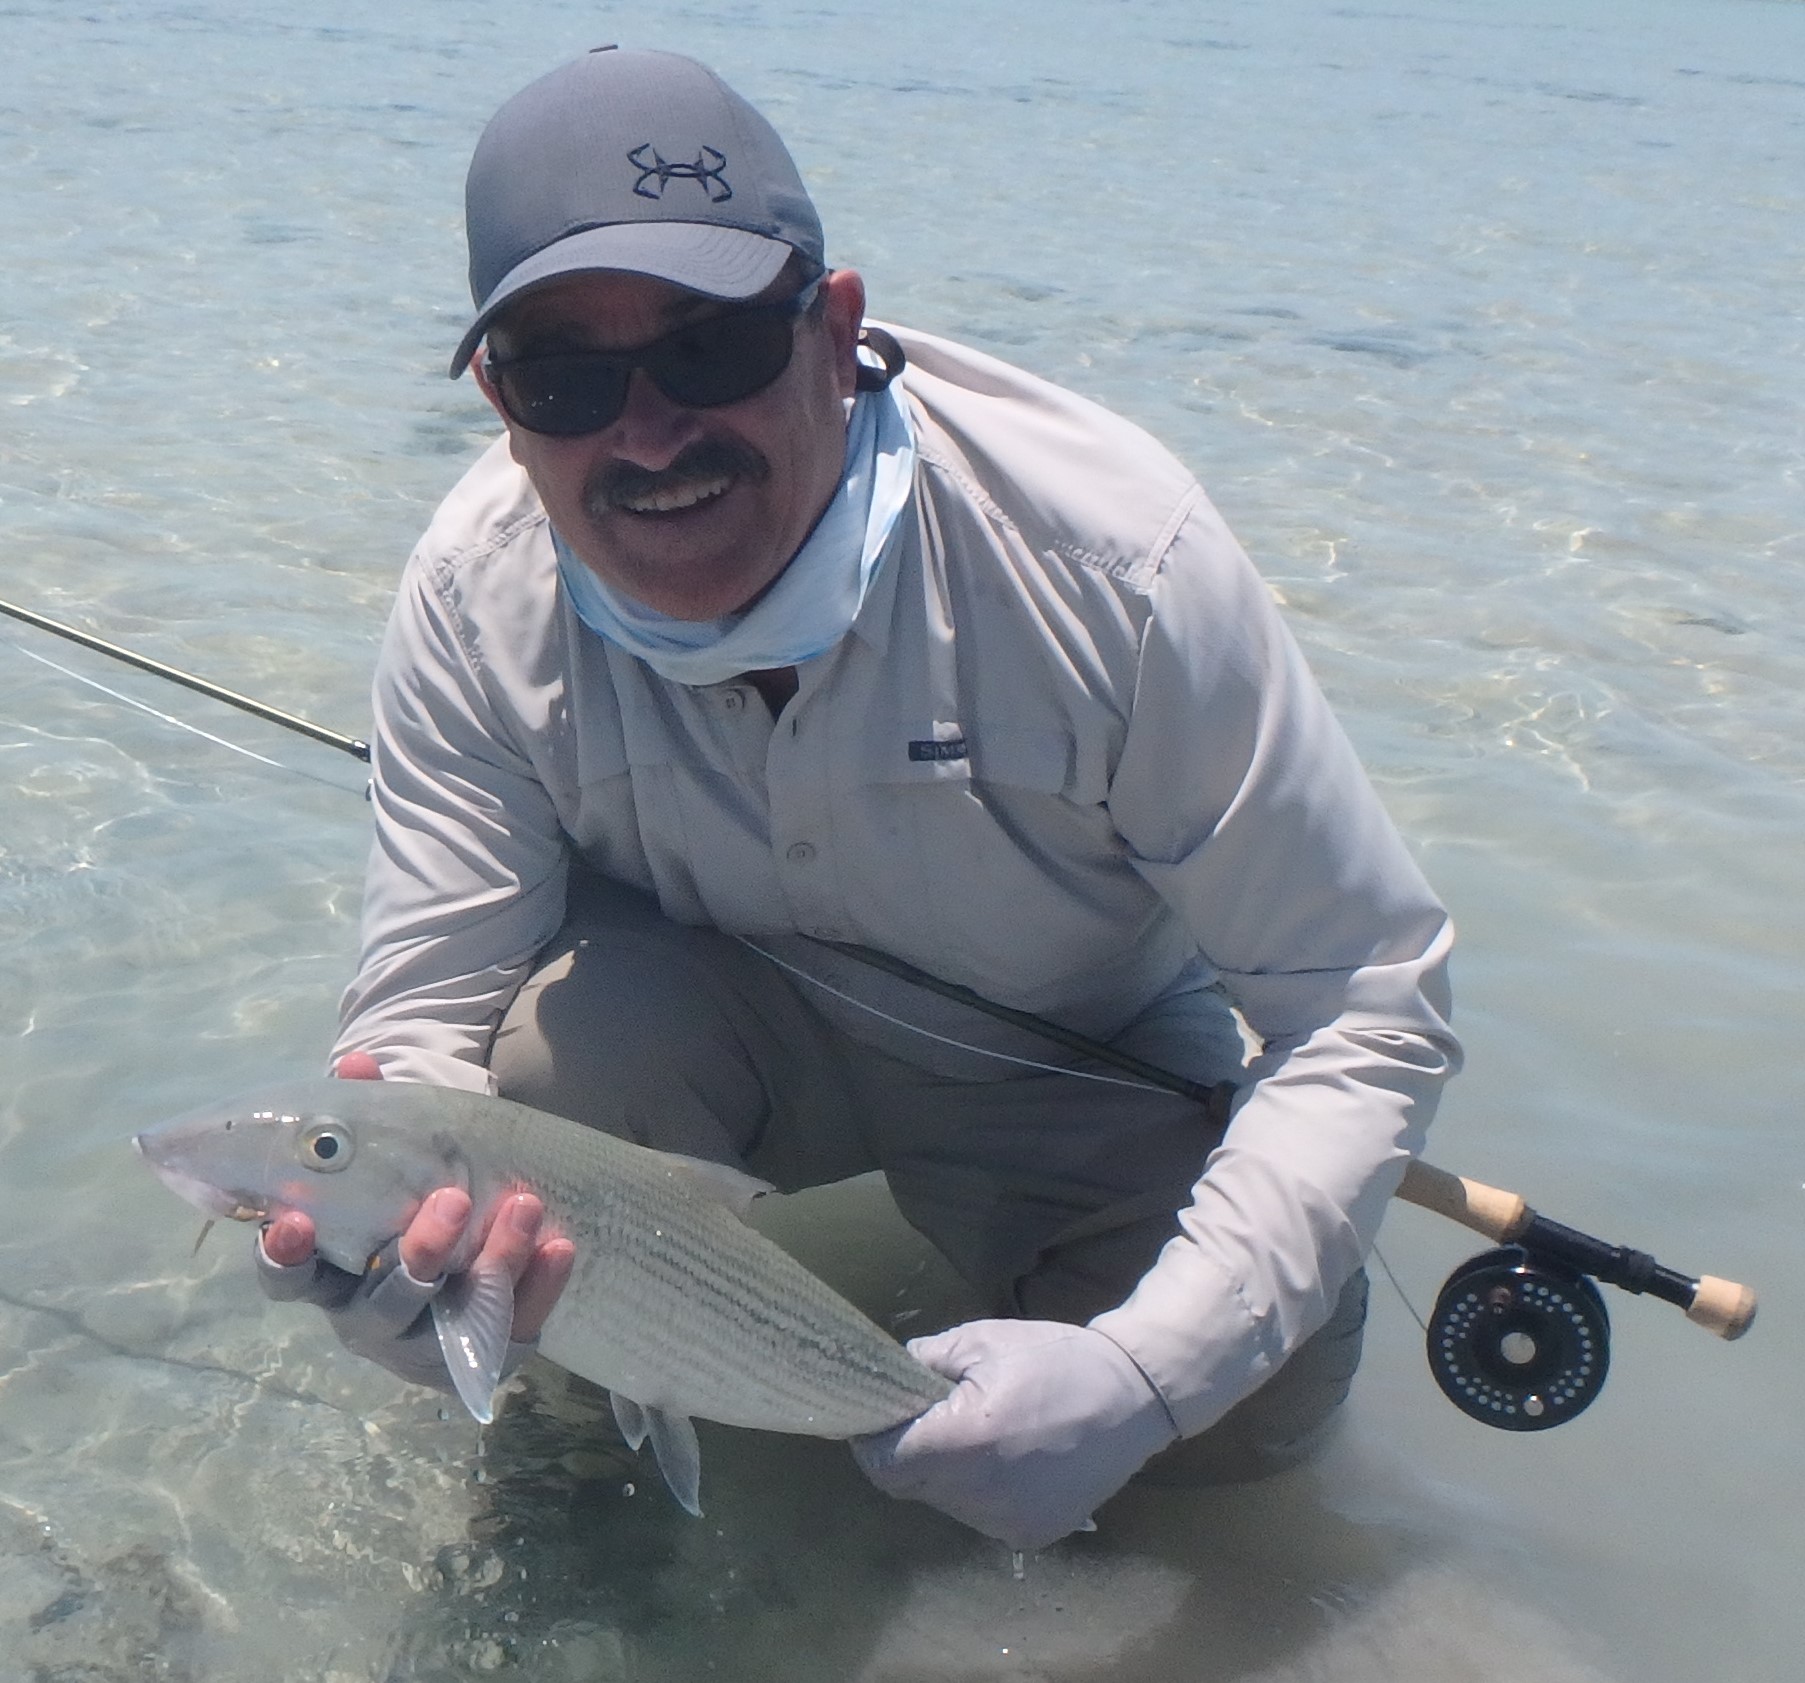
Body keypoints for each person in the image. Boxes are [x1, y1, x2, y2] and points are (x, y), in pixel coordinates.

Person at [258, 45, 1460, 1551]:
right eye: (566, 377)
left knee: (1249, 1421)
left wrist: (1148, 1377)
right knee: (539, 1084)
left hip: (1063, 1055)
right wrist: (397, 1254)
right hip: (704, 1036)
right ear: (500, 399)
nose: (648, 434)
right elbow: (424, 1018)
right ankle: (586, 1473)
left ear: (834, 333)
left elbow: (1359, 1003)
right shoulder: (468, 590)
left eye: (709, 349)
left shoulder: (1117, 563)